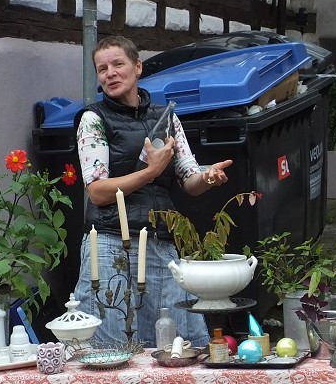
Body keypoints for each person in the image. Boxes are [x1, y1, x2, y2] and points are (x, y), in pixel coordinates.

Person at [73, 35, 233, 349]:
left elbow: (189, 178)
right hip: (108, 242)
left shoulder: (166, 118)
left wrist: (208, 176)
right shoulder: (94, 119)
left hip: (160, 241)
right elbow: (97, 192)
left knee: (173, 343)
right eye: (102, 68)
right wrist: (150, 172)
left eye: (118, 64)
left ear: (137, 67)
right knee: (110, 344)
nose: (110, 73)